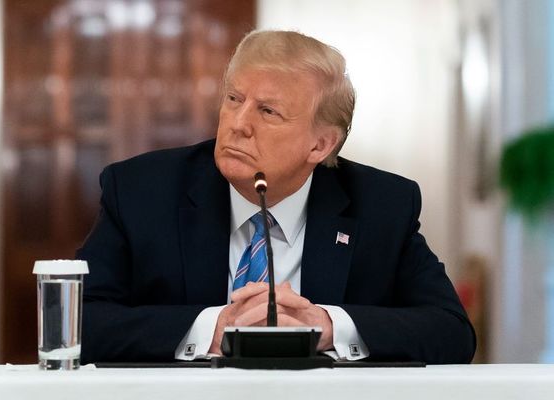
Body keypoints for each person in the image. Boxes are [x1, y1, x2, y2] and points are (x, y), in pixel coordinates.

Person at [77, 30, 476, 364]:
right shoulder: (142, 191)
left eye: (267, 112)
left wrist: (328, 327)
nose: (237, 123)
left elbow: (452, 332)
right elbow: (78, 322)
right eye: (234, 99)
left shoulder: (382, 205)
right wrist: (209, 330)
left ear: (320, 145)